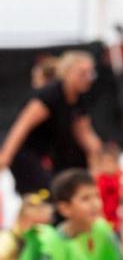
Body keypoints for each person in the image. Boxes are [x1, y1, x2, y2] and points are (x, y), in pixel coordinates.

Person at [0, 51, 102, 194]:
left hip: (47, 155)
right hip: (26, 155)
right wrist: (5, 157)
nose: (88, 78)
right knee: (48, 194)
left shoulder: (78, 100)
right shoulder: (50, 95)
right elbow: (21, 126)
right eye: (82, 73)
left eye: (91, 73)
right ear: (67, 72)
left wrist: (98, 165)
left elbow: (86, 136)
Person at [93, 144, 123, 234]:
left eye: (110, 162)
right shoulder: (98, 181)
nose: (107, 165)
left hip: (120, 219)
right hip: (105, 220)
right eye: (104, 162)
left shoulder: (121, 178)